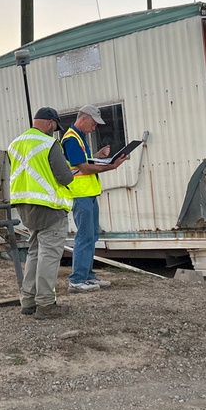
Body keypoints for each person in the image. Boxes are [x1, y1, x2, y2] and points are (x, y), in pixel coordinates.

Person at [7, 107, 74, 319]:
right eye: (55, 127)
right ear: (48, 123)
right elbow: (64, 177)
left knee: (35, 252)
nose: (55, 131)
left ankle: (28, 301)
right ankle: (46, 304)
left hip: (25, 207)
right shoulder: (48, 144)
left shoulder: (15, 143)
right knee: (49, 255)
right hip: (49, 208)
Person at [61, 105, 127, 293]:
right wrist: (111, 166)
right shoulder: (71, 139)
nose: (95, 127)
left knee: (91, 235)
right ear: (83, 119)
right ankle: (77, 279)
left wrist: (98, 156)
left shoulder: (79, 138)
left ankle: (87, 276)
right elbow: (84, 168)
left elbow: (84, 162)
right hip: (81, 194)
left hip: (88, 194)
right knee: (85, 236)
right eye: (93, 123)